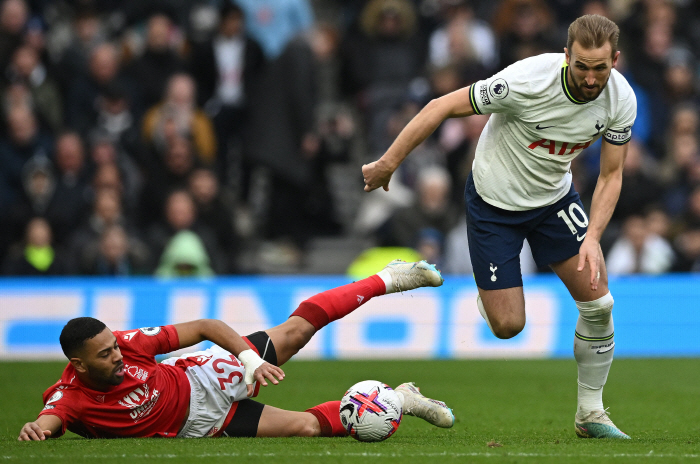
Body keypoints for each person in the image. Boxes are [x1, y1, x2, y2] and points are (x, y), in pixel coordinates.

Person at [362, 15, 636, 439]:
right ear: (567, 56)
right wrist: (388, 163)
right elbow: (440, 107)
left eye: (600, 68)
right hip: (494, 201)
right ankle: (490, 297)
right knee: (508, 327)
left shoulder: (621, 100)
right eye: (581, 66)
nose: (590, 77)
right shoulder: (525, 80)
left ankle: (590, 413)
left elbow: (611, 174)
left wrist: (594, 237)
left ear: (615, 61)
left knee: (600, 304)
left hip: (554, 200)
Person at [18, 260, 453, 440]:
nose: (116, 356)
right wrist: (38, 430)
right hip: (207, 423)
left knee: (297, 332)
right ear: (78, 364)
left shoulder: (131, 344)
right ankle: (400, 399)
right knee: (307, 428)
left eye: (114, 346)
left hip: (204, 375)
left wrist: (250, 360)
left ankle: (389, 279)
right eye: (105, 355)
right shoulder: (70, 397)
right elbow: (50, 420)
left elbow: (207, 325)